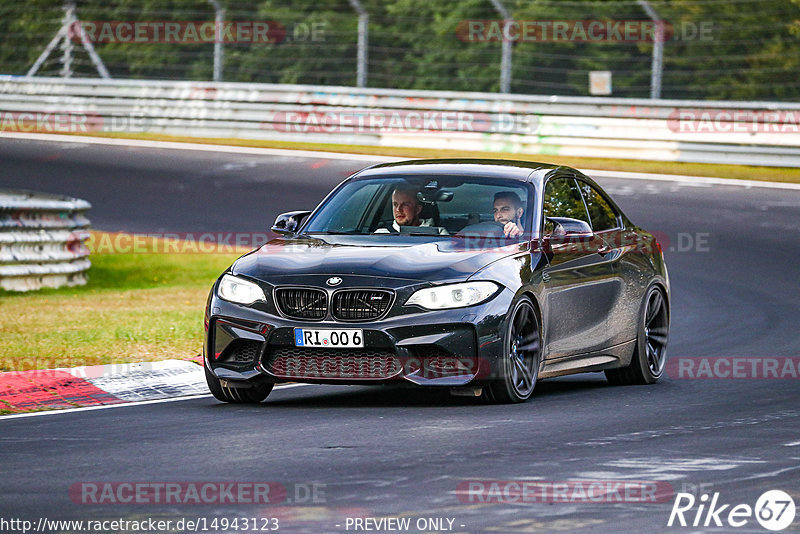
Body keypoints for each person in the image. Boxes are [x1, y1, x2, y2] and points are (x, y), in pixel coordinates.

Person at [375, 185, 446, 234]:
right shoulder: (381, 234)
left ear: (418, 209)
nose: (398, 210)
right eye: (395, 204)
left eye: (405, 205)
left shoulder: (438, 233)